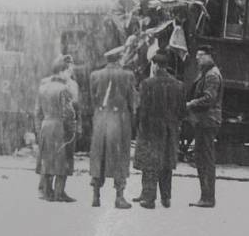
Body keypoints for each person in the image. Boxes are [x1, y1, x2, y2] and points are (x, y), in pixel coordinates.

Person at [133, 50, 186, 209]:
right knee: (166, 164)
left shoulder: (147, 84)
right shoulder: (179, 85)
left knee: (150, 164)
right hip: (170, 130)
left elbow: (142, 110)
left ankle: (148, 198)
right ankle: (166, 198)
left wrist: (139, 127)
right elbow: (182, 111)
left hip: (151, 130)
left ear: (155, 65)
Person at [89, 46, 138, 209]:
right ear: (119, 58)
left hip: (101, 118)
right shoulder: (128, 75)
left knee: (98, 155)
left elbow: (93, 99)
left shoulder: (95, 75)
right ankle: (119, 196)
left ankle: (96, 195)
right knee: (120, 155)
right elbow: (132, 100)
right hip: (119, 119)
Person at [35, 55, 78, 202]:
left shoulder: (43, 87)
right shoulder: (64, 89)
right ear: (62, 71)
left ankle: (47, 192)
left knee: (47, 159)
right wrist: (72, 128)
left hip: (45, 125)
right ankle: (59, 193)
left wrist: (39, 129)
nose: (70, 73)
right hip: (59, 126)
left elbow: (37, 112)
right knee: (62, 159)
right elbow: (68, 112)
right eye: (68, 70)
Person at [186, 44, 223, 208]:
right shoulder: (208, 73)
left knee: (205, 159)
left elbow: (209, 98)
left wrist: (190, 104)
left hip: (208, 120)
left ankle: (207, 198)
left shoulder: (212, 75)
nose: (197, 58)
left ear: (209, 56)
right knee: (202, 158)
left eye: (200, 55)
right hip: (205, 120)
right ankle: (206, 196)